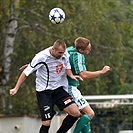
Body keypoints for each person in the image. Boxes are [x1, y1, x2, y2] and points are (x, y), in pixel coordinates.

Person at [9, 39, 83, 133]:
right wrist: (16, 88)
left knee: (75, 113)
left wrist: (72, 76)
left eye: (63, 53)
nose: (61, 55)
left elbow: (67, 68)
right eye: (60, 53)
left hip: (58, 90)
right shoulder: (41, 57)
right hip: (44, 92)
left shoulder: (65, 55)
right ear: (53, 49)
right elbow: (25, 73)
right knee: (46, 123)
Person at [56, 37, 110, 133]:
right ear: (81, 50)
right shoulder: (78, 55)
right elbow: (84, 75)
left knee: (84, 117)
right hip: (70, 88)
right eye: (88, 49)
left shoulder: (68, 50)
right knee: (90, 113)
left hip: (64, 87)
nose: (89, 50)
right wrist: (101, 72)